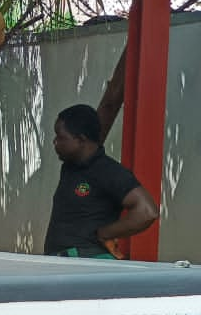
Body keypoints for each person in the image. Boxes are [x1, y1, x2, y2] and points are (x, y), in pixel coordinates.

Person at [45, 104, 158, 259]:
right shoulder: (71, 166)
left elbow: (147, 212)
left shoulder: (108, 171)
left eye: (60, 137)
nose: (55, 141)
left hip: (86, 262)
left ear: (80, 140)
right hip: (63, 261)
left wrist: (105, 233)